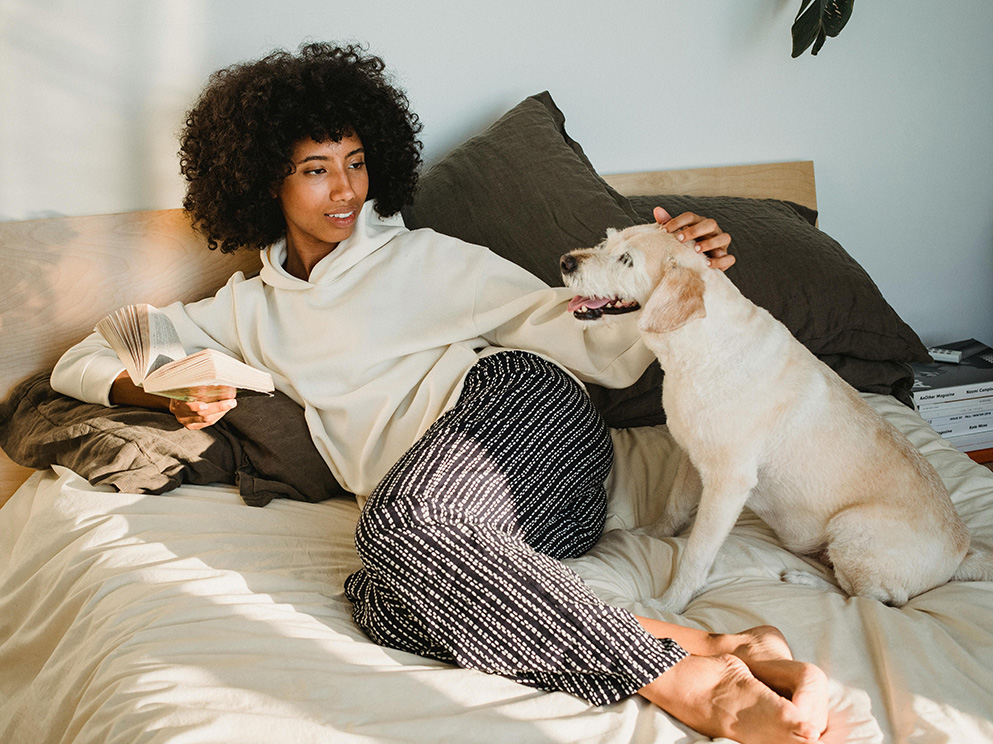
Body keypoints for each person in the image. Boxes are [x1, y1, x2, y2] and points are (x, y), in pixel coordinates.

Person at [51, 42, 828, 743]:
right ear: (263, 180)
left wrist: (680, 275)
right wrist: (151, 392)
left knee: (393, 528)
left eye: (355, 161)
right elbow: (81, 359)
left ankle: (699, 687)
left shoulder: (426, 260)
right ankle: (710, 644)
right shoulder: (241, 313)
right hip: (456, 529)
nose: (345, 188)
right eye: (317, 168)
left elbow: (603, 353)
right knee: (383, 600)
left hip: (526, 420)